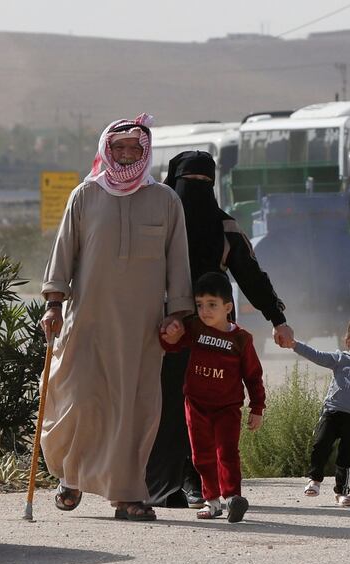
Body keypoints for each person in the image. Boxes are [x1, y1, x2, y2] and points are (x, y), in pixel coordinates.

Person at [39, 114, 192, 521]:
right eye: (119, 147)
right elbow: (63, 255)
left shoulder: (165, 200)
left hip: (141, 329)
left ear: (146, 152)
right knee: (80, 401)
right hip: (86, 322)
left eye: (134, 149)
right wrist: (54, 303)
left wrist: (177, 314)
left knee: (134, 408)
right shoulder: (84, 196)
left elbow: (178, 262)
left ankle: (127, 494)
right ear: (107, 149)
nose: (126, 155)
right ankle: (71, 477)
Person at [146, 150, 293, 510]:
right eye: (186, 184)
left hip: (206, 337)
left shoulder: (225, 229)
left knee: (203, 408)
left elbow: (252, 276)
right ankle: (163, 484)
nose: (193, 192)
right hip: (158, 334)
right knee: (162, 409)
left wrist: (277, 318)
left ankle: (198, 483)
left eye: (202, 184)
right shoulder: (153, 223)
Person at [159, 272, 265, 523]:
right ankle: (212, 501)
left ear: (228, 307)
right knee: (201, 455)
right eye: (200, 305)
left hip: (227, 408)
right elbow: (171, 346)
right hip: (196, 406)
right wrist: (170, 336)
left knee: (227, 452)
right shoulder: (195, 328)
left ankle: (233, 499)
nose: (205, 311)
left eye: (212, 305)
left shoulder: (241, 339)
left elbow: (253, 376)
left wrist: (257, 407)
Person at [285, 311, 350, 505]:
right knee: (321, 445)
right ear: (349, 341)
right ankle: (314, 480)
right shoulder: (340, 360)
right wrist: (295, 345)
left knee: (347, 458)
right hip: (332, 413)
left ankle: (342, 492)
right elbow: (316, 355)